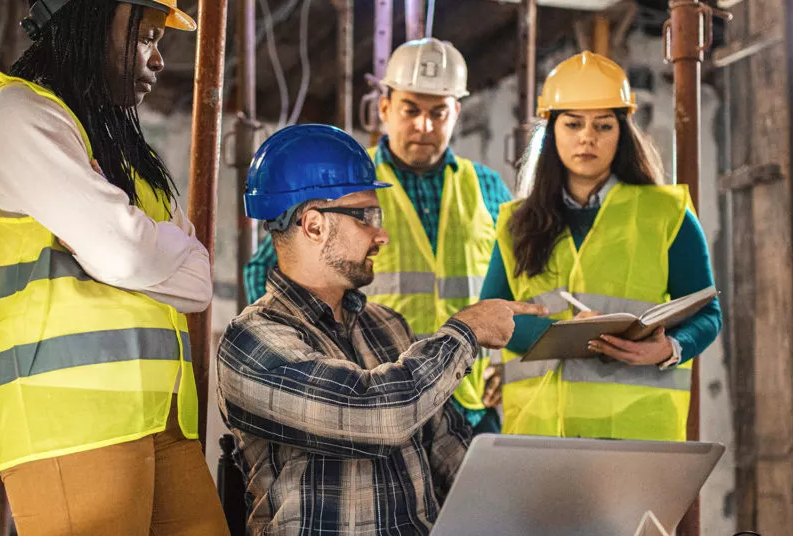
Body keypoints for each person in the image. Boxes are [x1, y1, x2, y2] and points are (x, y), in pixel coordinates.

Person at [0, 1, 228, 533]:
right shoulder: (17, 114)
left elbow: (199, 281)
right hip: (69, 425)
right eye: (143, 37)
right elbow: (125, 253)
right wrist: (136, 248)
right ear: (87, 20)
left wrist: (127, 245)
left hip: (162, 417)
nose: (157, 60)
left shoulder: (121, 151)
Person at [218, 124, 547, 535]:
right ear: (314, 225)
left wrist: (537, 507)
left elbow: (448, 449)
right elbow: (377, 414)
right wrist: (465, 331)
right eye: (366, 217)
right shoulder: (252, 343)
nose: (382, 234)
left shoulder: (387, 326)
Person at [243, 38, 513, 435]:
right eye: (411, 110)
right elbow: (266, 270)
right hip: (376, 394)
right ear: (385, 107)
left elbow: (514, 282)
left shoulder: (487, 187)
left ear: (456, 111)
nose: (424, 125)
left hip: (467, 400)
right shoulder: (348, 184)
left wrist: (505, 364)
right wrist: (311, 356)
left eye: (438, 112)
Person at [480, 51, 723, 440]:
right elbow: (491, 317)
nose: (587, 137)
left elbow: (708, 313)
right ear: (552, 129)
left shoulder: (666, 213)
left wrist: (671, 348)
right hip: (539, 434)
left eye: (603, 125)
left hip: (637, 433)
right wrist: (560, 333)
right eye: (573, 124)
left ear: (622, 131)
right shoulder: (515, 223)